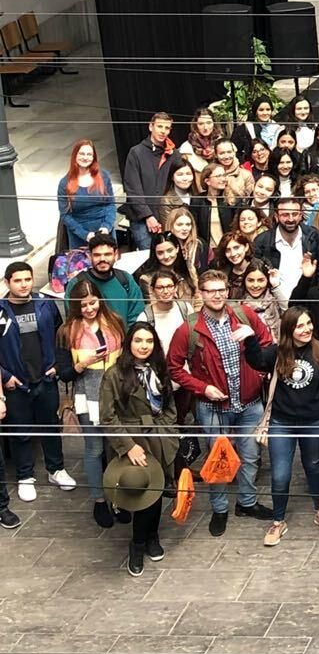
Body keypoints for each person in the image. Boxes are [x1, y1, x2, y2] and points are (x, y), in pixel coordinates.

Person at [169, 268, 277, 535]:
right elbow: (174, 368)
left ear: (228, 291)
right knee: (218, 459)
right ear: (201, 294)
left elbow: (268, 344)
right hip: (212, 407)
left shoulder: (244, 315)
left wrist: (259, 371)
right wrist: (202, 387)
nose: (217, 295)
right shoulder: (189, 329)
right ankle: (219, 509)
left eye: (221, 290)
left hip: (250, 403)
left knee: (251, 456)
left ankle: (247, 503)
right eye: (210, 290)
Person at [99, 320, 181, 576]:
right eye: (138, 340)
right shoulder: (114, 374)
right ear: (128, 343)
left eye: (148, 341)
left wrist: (168, 432)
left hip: (158, 438)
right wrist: (128, 446)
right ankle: (137, 545)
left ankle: (152, 536)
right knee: (140, 491)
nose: (143, 346)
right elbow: (107, 417)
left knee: (157, 492)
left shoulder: (159, 370)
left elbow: (170, 408)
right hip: (132, 439)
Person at [261, 306, 319, 546]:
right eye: (299, 325)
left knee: (314, 466)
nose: (306, 329)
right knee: (281, 473)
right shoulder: (278, 353)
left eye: (308, 324)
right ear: (289, 330)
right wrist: (250, 336)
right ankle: (278, 520)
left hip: (314, 420)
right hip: (282, 421)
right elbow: (255, 359)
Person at [0, 262, 72, 503]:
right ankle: (25, 477)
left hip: (46, 379)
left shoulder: (45, 303)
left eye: (27, 279)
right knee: (20, 432)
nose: (23, 285)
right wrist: (4, 376)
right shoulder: (0, 310)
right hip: (15, 383)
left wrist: (58, 365)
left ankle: (56, 470)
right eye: (18, 280)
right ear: (7, 282)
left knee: (50, 426)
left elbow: (62, 335)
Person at [123, 112, 175, 250]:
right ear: (151, 127)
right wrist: (148, 216)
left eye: (167, 128)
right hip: (142, 219)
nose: (163, 131)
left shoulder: (173, 154)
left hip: (166, 215)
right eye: (159, 126)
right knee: (148, 258)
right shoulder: (136, 152)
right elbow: (133, 189)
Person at [58, 138, 118, 251]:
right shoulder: (64, 183)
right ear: (75, 155)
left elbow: (111, 205)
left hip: (104, 231)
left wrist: (106, 227)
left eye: (89, 154)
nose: (85, 157)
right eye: (82, 154)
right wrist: (85, 235)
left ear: (93, 157)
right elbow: (65, 215)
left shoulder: (103, 176)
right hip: (79, 235)